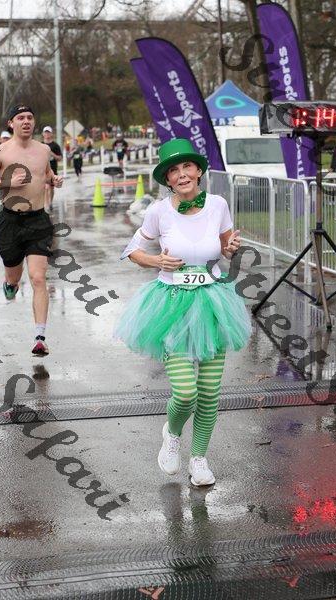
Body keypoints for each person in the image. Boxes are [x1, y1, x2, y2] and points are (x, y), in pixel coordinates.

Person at [114, 138, 252, 487]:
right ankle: (172, 433)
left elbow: (224, 248)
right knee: (186, 392)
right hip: (171, 305)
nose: (182, 174)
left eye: (187, 166)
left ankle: (200, 459)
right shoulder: (158, 211)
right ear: (168, 179)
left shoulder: (218, 205)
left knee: (209, 391)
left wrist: (230, 248)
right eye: (173, 170)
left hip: (213, 302)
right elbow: (132, 249)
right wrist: (156, 260)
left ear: (199, 170)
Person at [0, 105, 63, 356]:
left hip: (38, 221)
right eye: (20, 118)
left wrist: (54, 180)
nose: (26, 121)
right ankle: (10, 284)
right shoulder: (0, 151)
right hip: (10, 222)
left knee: (38, 277)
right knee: (14, 277)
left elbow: (47, 173)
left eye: (30, 117)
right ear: (11, 123)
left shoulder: (43, 149)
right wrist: (7, 182)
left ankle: (40, 337)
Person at [42, 126, 62, 212]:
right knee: (46, 187)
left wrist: (52, 154)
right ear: (43, 134)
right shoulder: (40, 145)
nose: (47, 134)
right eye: (45, 132)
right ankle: (46, 205)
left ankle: (50, 202)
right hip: (42, 170)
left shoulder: (55, 145)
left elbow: (60, 158)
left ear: (51, 134)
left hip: (53, 169)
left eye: (48, 132)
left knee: (51, 188)